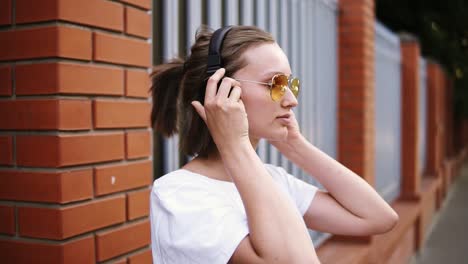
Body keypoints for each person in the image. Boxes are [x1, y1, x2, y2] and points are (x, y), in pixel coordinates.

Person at [149, 25, 398, 264]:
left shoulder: (274, 180)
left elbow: (379, 218)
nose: (291, 100)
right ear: (219, 92)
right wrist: (235, 145)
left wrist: (296, 146)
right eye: (274, 84)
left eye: (290, 85)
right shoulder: (179, 194)